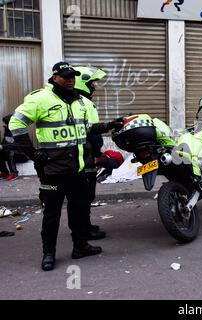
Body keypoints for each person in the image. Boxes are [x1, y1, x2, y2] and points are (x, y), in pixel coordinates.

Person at [8, 61, 122, 271]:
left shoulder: (80, 101)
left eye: (72, 77)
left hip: (77, 170)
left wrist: (108, 125)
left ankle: (80, 247)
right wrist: (32, 153)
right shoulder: (41, 98)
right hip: (53, 171)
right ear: (54, 78)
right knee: (52, 215)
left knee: (78, 211)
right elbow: (16, 123)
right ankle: (48, 254)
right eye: (65, 77)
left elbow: (86, 128)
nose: (70, 80)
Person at [74, 66, 123, 240]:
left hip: (84, 156)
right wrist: (97, 155)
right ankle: (84, 230)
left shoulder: (76, 101)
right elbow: (92, 132)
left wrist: (110, 125)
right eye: (91, 83)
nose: (93, 87)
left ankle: (85, 226)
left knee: (84, 195)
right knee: (85, 195)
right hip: (86, 157)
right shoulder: (83, 103)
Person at [0, 114, 28, 181]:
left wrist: (3, 146)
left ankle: (14, 173)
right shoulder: (7, 132)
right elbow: (4, 144)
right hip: (11, 155)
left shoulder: (19, 131)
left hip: (22, 155)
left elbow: (18, 146)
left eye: (5, 123)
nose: (3, 125)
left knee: (10, 151)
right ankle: (4, 172)